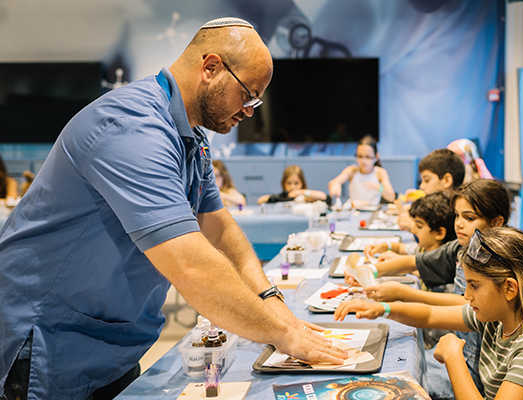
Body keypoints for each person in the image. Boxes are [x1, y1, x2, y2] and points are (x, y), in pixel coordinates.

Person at [0, 18, 345, 400]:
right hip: (47, 340)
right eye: (247, 94)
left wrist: (270, 298)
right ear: (211, 67)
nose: (250, 111)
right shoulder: (132, 127)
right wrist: (282, 334)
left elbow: (218, 227)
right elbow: (190, 265)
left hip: (110, 340)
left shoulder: (191, 137)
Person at [335, 227, 523, 400]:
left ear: (509, 289)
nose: (467, 295)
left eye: (474, 286)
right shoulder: (499, 318)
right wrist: (384, 309)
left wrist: (453, 356)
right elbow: (429, 315)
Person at [345, 179, 513, 395]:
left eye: (469, 218)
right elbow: (429, 308)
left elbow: (460, 305)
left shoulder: (497, 268)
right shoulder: (465, 247)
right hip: (461, 357)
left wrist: (403, 294)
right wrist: (376, 284)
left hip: (472, 371)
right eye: (457, 215)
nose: (459, 224)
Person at [364, 191, 456, 263]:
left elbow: (419, 269)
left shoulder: (441, 260)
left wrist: (399, 261)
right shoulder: (425, 247)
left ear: (439, 233)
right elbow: (400, 248)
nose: (413, 230)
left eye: (419, 226)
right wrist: (385, 246)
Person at [394, 148, 465, 232]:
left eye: (427, 180)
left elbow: (440, 238)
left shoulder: (458, 213)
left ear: (447, 180)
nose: (422, 186)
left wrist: (415, 227)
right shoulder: (439, 207)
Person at [327, 135, 395, 206]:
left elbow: (391, 197)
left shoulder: (380, 172)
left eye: (368, 157)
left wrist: (378, 187)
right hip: (354, 210)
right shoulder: (352, 170)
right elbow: (332, 182)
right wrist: (335, 185)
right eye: (360, 156)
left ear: (376, 157)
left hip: (373, 210)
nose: (363, 161)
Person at [257, 164, 328, 204]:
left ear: (302, 183)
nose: (292, 187)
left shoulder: (307, 196)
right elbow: (260, 200)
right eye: (289, 183)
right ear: (283, 183)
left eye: (296, 183)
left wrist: (300, 192)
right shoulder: (283, 197)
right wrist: (275, 198)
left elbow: (322, 196)